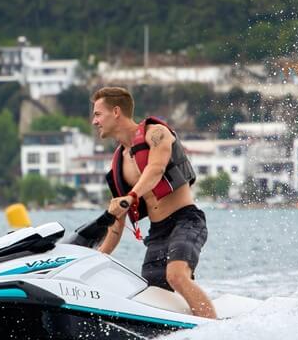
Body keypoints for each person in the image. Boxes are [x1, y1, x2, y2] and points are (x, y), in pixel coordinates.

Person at [91, 86, 217, 319]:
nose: (94, 121)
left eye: (98, 114)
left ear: (116, 112)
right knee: (155, 294)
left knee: (176, 275)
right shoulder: (119, 163)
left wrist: (130, 197)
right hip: (158, 232)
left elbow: (156, 170)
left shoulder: (156, 133)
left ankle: (215, 330)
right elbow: (117, 222)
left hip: (186, 221)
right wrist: (97, 257)